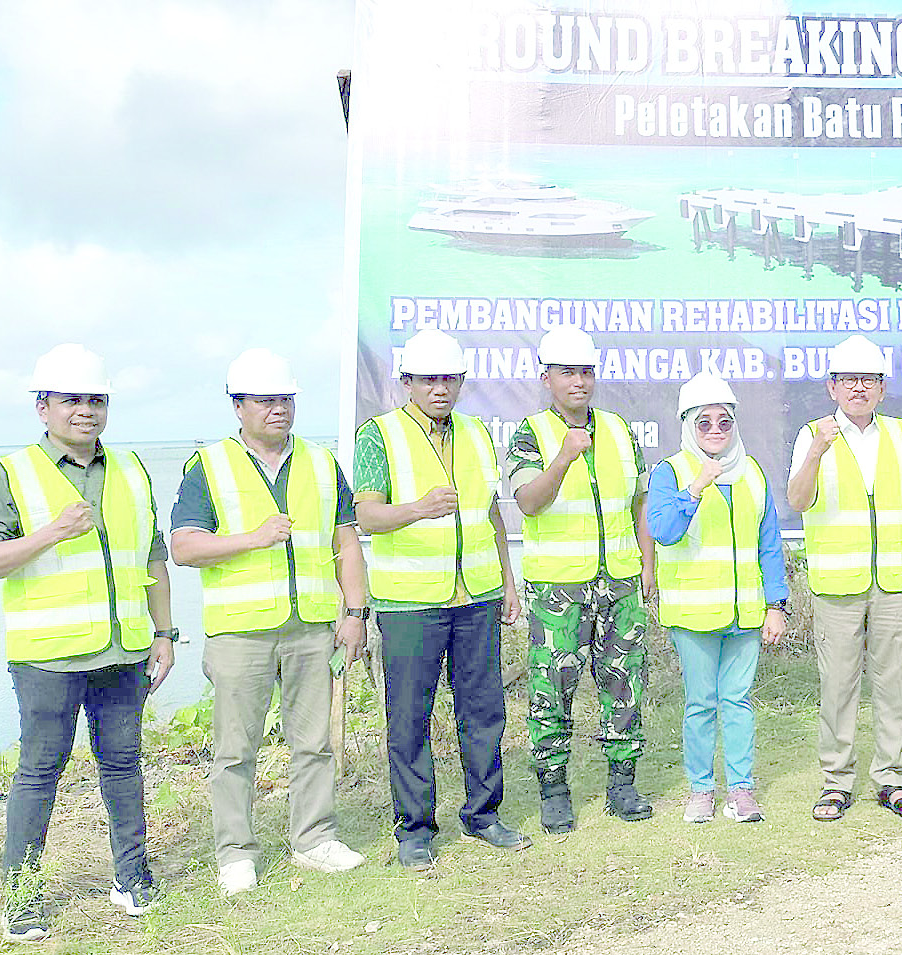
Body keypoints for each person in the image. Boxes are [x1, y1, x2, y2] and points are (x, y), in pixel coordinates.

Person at [0, 344, 177, 941]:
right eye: (70, 400)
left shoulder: (132, 469)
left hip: (123, 652)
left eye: (94, 400)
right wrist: (52, 532)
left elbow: (153, 556)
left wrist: (164, 633)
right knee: (39, 772)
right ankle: (23, 901)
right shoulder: (10, 473)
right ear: (43, 408)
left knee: (124, 765)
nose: (84, 410)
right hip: (48, 659)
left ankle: (132, 881)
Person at [169, 349, 369, 896]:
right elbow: (183, 547)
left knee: (315, 742)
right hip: (241, 632)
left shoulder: (323, 462)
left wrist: (355, 613)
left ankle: (314, 840)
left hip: (311, 625)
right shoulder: (207, 466)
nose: (277, 409)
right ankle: (235, 853)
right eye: (264, 401)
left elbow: (346, 543)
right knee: (236, 748)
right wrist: (252, 538)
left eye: (285, 399)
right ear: (238, 407)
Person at [354, 328, 527, 870]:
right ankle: (415, 828)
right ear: (407, 382)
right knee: (409, 717)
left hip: (475, 596)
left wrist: (507, 578)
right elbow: (366, 515)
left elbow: (492, 513)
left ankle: (483, 814)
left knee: (484, 710)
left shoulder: (476, 433)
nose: (439, 388)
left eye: (449, 379)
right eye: (428, 379)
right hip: (410, 603)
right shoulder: (378, 435)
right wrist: (418, 508)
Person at [508, 327, 656, 831]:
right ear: (546, 377)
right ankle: (553, 790)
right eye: (567, 372)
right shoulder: (530, 433)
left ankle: (622, 783)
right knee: (554, 688)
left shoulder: (617, 429)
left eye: (585, 372)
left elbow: (639, 503)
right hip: (559, 588)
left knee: (625, 685)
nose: (578, 382)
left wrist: (646, 566)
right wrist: (564, 458)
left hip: (619, 582)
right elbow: (528, 502)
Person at [788, 335, 902, 822]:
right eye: (849, 379)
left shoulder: (900, 433)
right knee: (837, 686)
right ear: (832, 387)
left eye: (868, 380)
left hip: (894, 581)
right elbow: (797, 500)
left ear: (881, 388)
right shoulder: (814, 434)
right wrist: (814, 452)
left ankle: (892, 779)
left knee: (894, 685)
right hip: (838, 585)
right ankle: (836, 781)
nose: (859, 388)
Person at [647, 372, 790, 823]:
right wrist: (695, 488)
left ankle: (742, 789)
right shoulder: (670, 471)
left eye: (724, 422)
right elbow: (663, 532)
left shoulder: (752, 473)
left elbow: (769, 543)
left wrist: (775, 604)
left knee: (738, 700)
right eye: (704, 422)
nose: (714, 431)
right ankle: (701, 790)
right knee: (701, 703)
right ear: (687, 424)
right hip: (693, 614)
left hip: (745, 614)